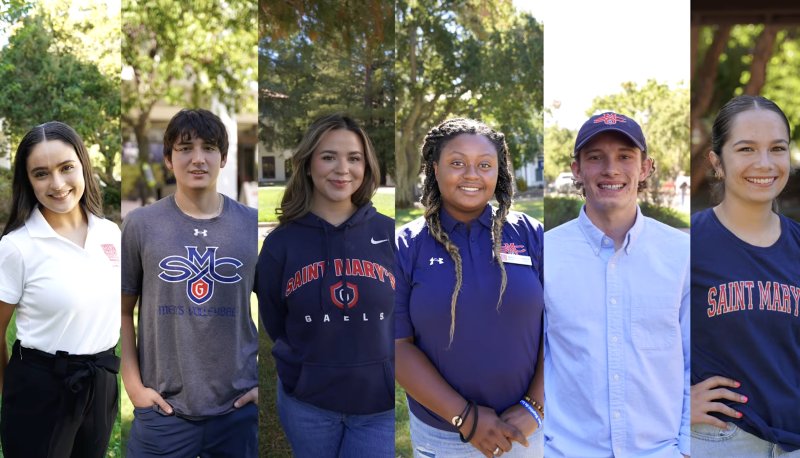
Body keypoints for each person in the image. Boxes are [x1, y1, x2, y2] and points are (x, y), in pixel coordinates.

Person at [395, 118, 545, 458]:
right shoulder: (405, 246)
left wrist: (535, 406)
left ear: (499, 172)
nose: (472, 175)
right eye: (457, 163)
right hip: (443, 438)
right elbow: (397, 346)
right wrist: (466, 419)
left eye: (485, 165)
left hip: (526, 434)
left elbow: (560, 330)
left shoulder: (532, 235)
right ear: (435, 169)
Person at [543, 112, 690, 457]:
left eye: (625, 156)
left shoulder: (682, 253)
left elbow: (692, 360)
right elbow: (533, 361)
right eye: (596, 157)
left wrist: (684, 447)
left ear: (645, 168)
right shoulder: (545, 253)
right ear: (577, 170)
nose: (611, 169)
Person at [121, 109, 258, 457]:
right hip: (162, 412)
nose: (198, 159)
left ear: (223, 158)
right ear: (168, 159)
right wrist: (134, 387)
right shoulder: (140, 225)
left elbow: (279, 309)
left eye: (209, 148)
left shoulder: (250, 225)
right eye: (185, 148)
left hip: (238, 410)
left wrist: (263, 386)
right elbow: (121, 311)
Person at [257, 114, 395, 457]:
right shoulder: (280, 244)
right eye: (329, 157)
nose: (342, 169)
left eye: (354, 158)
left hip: (380, 406)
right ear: (308, 164)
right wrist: (306, 371)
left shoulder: (391, 235)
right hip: (307, 404)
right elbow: (275, 321)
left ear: (366, 166)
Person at [0, 121, 120, 457]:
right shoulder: (17, 247)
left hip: (101, 381)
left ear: (83, 165)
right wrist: (12, 392)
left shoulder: (110, 233)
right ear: (28, 181)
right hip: (40, 389)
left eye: (66, 168)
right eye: (41, 174)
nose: (57, 183)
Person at [690, 95, 800, 456]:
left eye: (777, 148)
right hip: (721, 441)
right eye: (746, 149)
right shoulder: (688, 245)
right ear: (717, 162)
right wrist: (677, 400)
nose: (764, 163)